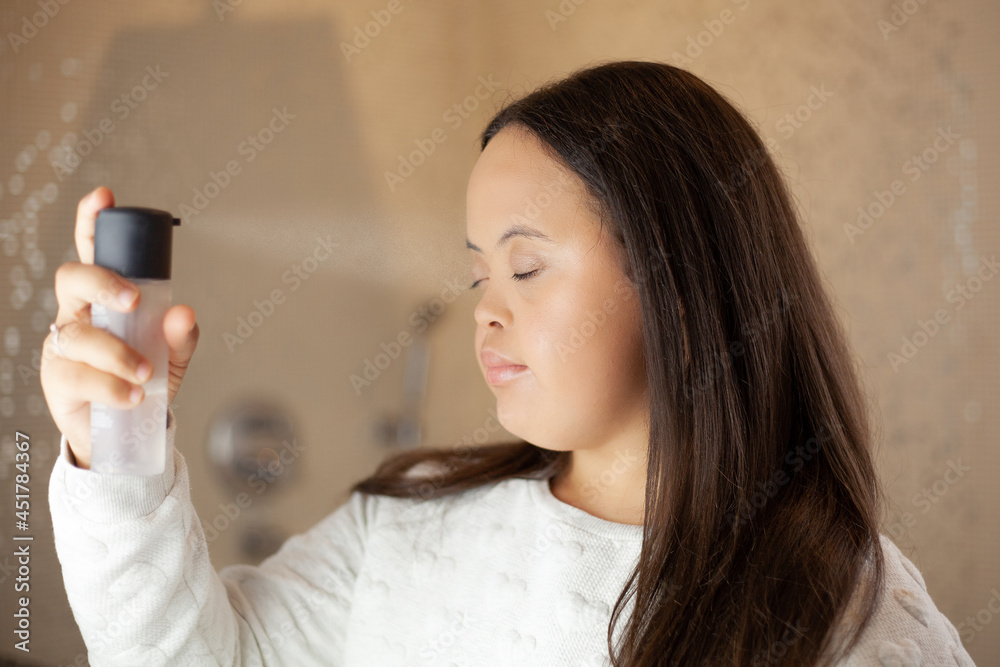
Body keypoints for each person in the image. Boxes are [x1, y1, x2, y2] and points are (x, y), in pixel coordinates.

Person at [41, 59, 975, 666]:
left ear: (681, 283)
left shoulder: (849, 624)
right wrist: (114, 448)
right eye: (478, 271)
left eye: (526, 265)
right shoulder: (405, 524)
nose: (485, 307)